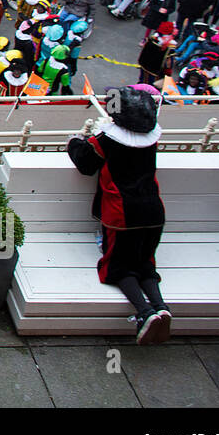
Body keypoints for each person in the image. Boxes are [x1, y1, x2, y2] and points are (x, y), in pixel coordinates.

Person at [66, 85, 172, 345]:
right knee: (145, 263)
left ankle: (144, 313)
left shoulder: (107, 140)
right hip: (153, 211)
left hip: (123, 213)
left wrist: (75, 141)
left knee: (118, 266)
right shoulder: (151, 140)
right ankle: (161, 307)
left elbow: (85, 164)